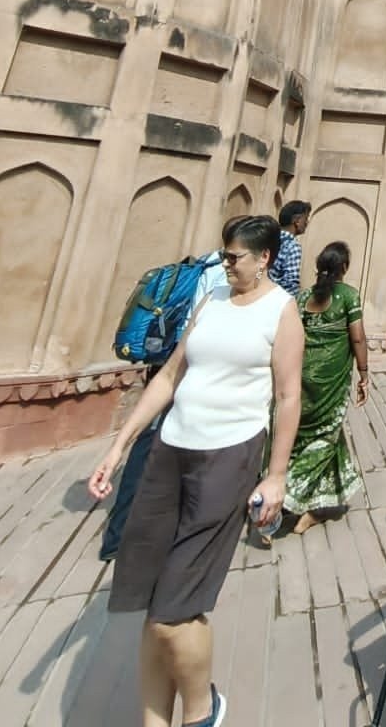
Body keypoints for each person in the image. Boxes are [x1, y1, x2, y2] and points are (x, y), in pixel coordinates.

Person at [88, 215, 303, 727]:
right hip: (171, 452)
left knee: (174, 612)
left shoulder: (281, 310)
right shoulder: (212, 301)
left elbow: (288, 396)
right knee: (149, 604)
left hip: (228, 457)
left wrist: (276, 475)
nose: (224, 264)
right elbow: (170, 376)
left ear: (264, 258)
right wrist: (119, 447)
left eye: (233, 257)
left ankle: (203, 710)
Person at [99, 238, 229, 562]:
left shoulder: (201, 264)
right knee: (155, 446)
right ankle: (125, 534)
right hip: (186, 365)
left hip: (165, 357)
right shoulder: (225, 274)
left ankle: (123, 533)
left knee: (153, 440)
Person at [285, 240, 370, 535]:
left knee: (311, 434)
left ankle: (318, 506)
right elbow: (358, 338)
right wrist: (364, 374)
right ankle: (286, 495)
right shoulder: (348, 296)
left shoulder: (303, 297)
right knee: (325, 436)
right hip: (330, 381)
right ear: (344, 267)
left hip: (301, 377)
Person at [269, 200, 311, 296]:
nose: (307, 222)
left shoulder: (268, 237)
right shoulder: (292, 246)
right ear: (297, 220)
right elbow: (291, 284)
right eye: (306, 218)